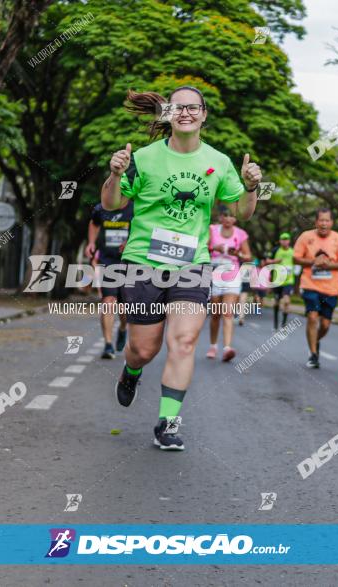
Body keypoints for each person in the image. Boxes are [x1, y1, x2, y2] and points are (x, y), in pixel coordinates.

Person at [101, 86, 261, 450]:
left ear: (204, 115)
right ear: (167, 114)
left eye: (193, 107)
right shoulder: (143, 157)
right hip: (143, 263)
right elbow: (112, 204)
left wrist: (252, 187)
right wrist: (114, 174)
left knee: (185, 342)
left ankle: (168, 423)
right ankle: (131, 371)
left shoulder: (219, 162)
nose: (185, 112)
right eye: (178, 107)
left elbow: (242, 212)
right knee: (144, 349)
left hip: (192, 264)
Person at [294, 208, 338, 368]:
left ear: (332, 223)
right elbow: (296, 258)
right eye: (321, 220)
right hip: (310, 285)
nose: (324, 223)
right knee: (312, 317)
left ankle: (315, 340)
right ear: (316, 222)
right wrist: (313, 262)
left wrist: (329, 265)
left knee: (325, 324)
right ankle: (313, 354)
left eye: (327, 220)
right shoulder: (306, 237)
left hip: (331, 288)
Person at [87, 201, 134, 359]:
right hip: (108, 261)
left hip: (129, 262)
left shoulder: (137, 207)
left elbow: (146, 229)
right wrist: (92, 243)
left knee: (125, 308)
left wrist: (132, 241)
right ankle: (108, 345)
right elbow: (94, 224)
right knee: (108, 300)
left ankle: (122, 328)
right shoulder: (101, 208)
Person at [206, 206, 252, 361]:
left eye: (231, 216)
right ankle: (213, 345)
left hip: (232, 275)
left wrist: (237, 253)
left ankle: (227, 348)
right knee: (215, 315)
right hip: (214, 274)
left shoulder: (240, 234)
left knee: (227, 312)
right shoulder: (212, 230)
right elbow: (202, 247)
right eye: (225, 215)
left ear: (235, 218)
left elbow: (248, 256)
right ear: (220, 217)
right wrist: (214, 247)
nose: (228, 219)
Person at [263, 233, 295, 330]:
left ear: (289, 241)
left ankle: (283, 324)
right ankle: (275, 325)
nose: (285, 241)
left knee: (286, 301)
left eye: (286, 239)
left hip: (289, 281)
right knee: (276, 303)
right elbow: (266, 262)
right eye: (283, 239)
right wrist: (274, 261)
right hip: (277, 281)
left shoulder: (293, 251)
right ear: (280, 241)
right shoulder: (275, 250)